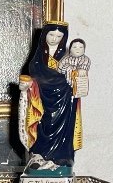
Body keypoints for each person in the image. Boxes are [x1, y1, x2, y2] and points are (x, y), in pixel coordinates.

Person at [18, 22, 81, 172]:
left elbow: (74, 75)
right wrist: (26, 86)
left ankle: (60, 159)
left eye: (59, 36)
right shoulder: (38, 57)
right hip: (43, 99)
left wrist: (75, 78)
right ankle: (39, 156)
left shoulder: (67, 57)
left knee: (63, 129)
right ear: (45, 35)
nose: (54, 39)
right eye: (51, 35)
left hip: (64, 100)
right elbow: (34, 76)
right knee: (43, 125)